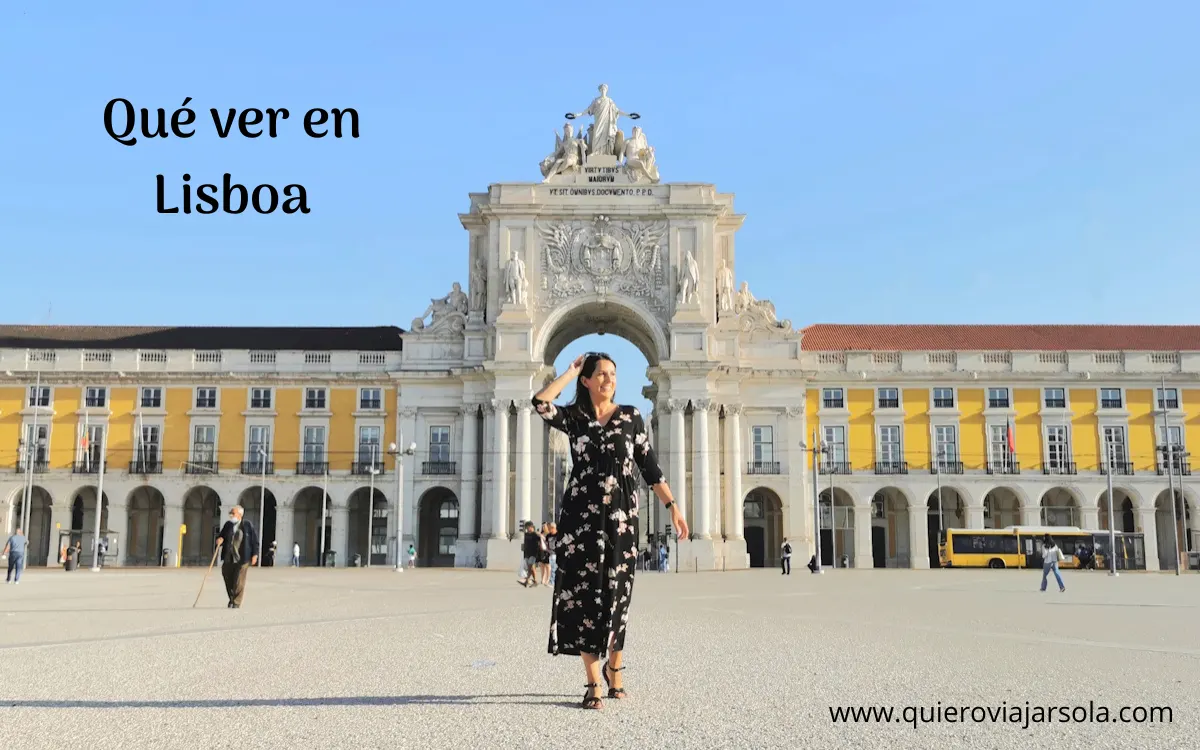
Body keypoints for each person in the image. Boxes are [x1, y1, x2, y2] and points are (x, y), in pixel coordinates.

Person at [533, 352, 688, 710]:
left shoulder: (631, 417)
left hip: (621, 519)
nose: (608, 379)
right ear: (586, 381)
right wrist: (570, 372)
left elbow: (649, 467)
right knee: (584, 596)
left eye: (613, 374)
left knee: (618, 594)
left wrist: (673, 506)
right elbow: (541, 403)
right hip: (580, 519)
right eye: (600, 374)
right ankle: (592, 683)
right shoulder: (574, 418)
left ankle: (614, 666)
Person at [215, 505, 258, 609]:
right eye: (230, 513)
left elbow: (254, 541)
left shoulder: (247, 525)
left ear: (240, 514)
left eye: (233, 513)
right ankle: (231, 598)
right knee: (227, 577)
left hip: (243, 557)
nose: (231, 515)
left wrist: (255, 555)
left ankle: (236, 602)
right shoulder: (228, 525)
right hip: (228, 556)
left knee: (239, 580)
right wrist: (219, 540)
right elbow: (221, 537)